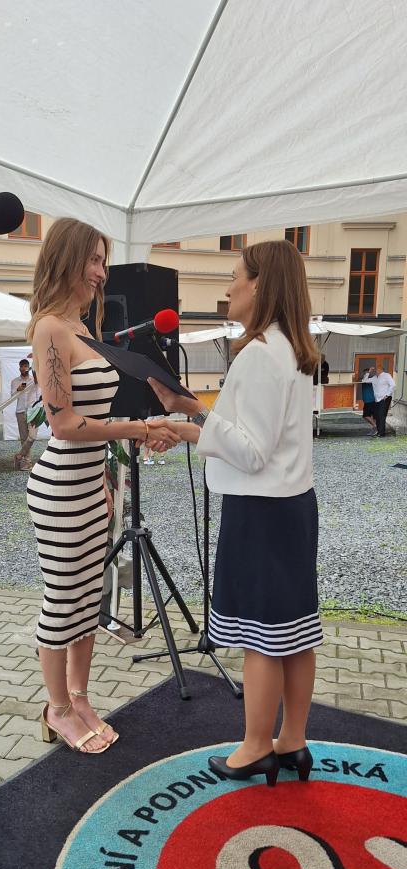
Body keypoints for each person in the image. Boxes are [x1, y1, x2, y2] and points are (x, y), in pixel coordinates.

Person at [149, 240, 323, 787]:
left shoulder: (258, 353)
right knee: (294, 632)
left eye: (234, 277)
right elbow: (258, 436)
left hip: (260, 512)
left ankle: (255, 747)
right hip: (293, 506)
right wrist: (193, 415)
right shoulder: (293, 349)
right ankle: (291, 740)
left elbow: (250, 451)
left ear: (259, 284)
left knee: (261, 636)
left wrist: (189, 424)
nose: (228, 289)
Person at [28, 217, 179, 755]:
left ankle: (79, 697)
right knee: (62, 601)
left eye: (103, 260)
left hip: (93, 483)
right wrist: (138, 429)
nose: (101, 272)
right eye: (93, 260)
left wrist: (107, 477)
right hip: (60, 487)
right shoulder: (50, 328)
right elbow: (64, 425)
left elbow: (92, 421)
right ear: (67, 260)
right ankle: (56, 709)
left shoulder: (83, 327)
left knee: (90, 598)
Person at [11, 358, 41, 470]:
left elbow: (39, 386)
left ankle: (19, 456)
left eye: (26, 366)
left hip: (33, 411)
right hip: (20, 412)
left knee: (32, 437)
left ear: (28, 368)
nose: (24, 368)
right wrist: (18, 390)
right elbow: (12, 397)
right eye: (22, 366)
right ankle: (26, 462)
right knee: (24, 438)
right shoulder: (15, 381)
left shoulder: (34, 380)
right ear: (19, 368)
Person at [371, 365, 396, 437]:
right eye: (375, 369)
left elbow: (393, 385)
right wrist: (368, 372)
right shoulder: (375, 377)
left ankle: (381, 433)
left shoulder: (386, 375)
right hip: (377, 399)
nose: (375, 371)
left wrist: (387, 395)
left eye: (377, 369)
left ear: (381, 369)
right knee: (377, 415)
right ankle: (379, 431)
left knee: (381, 415)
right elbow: (364, 380)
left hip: (385, 398)